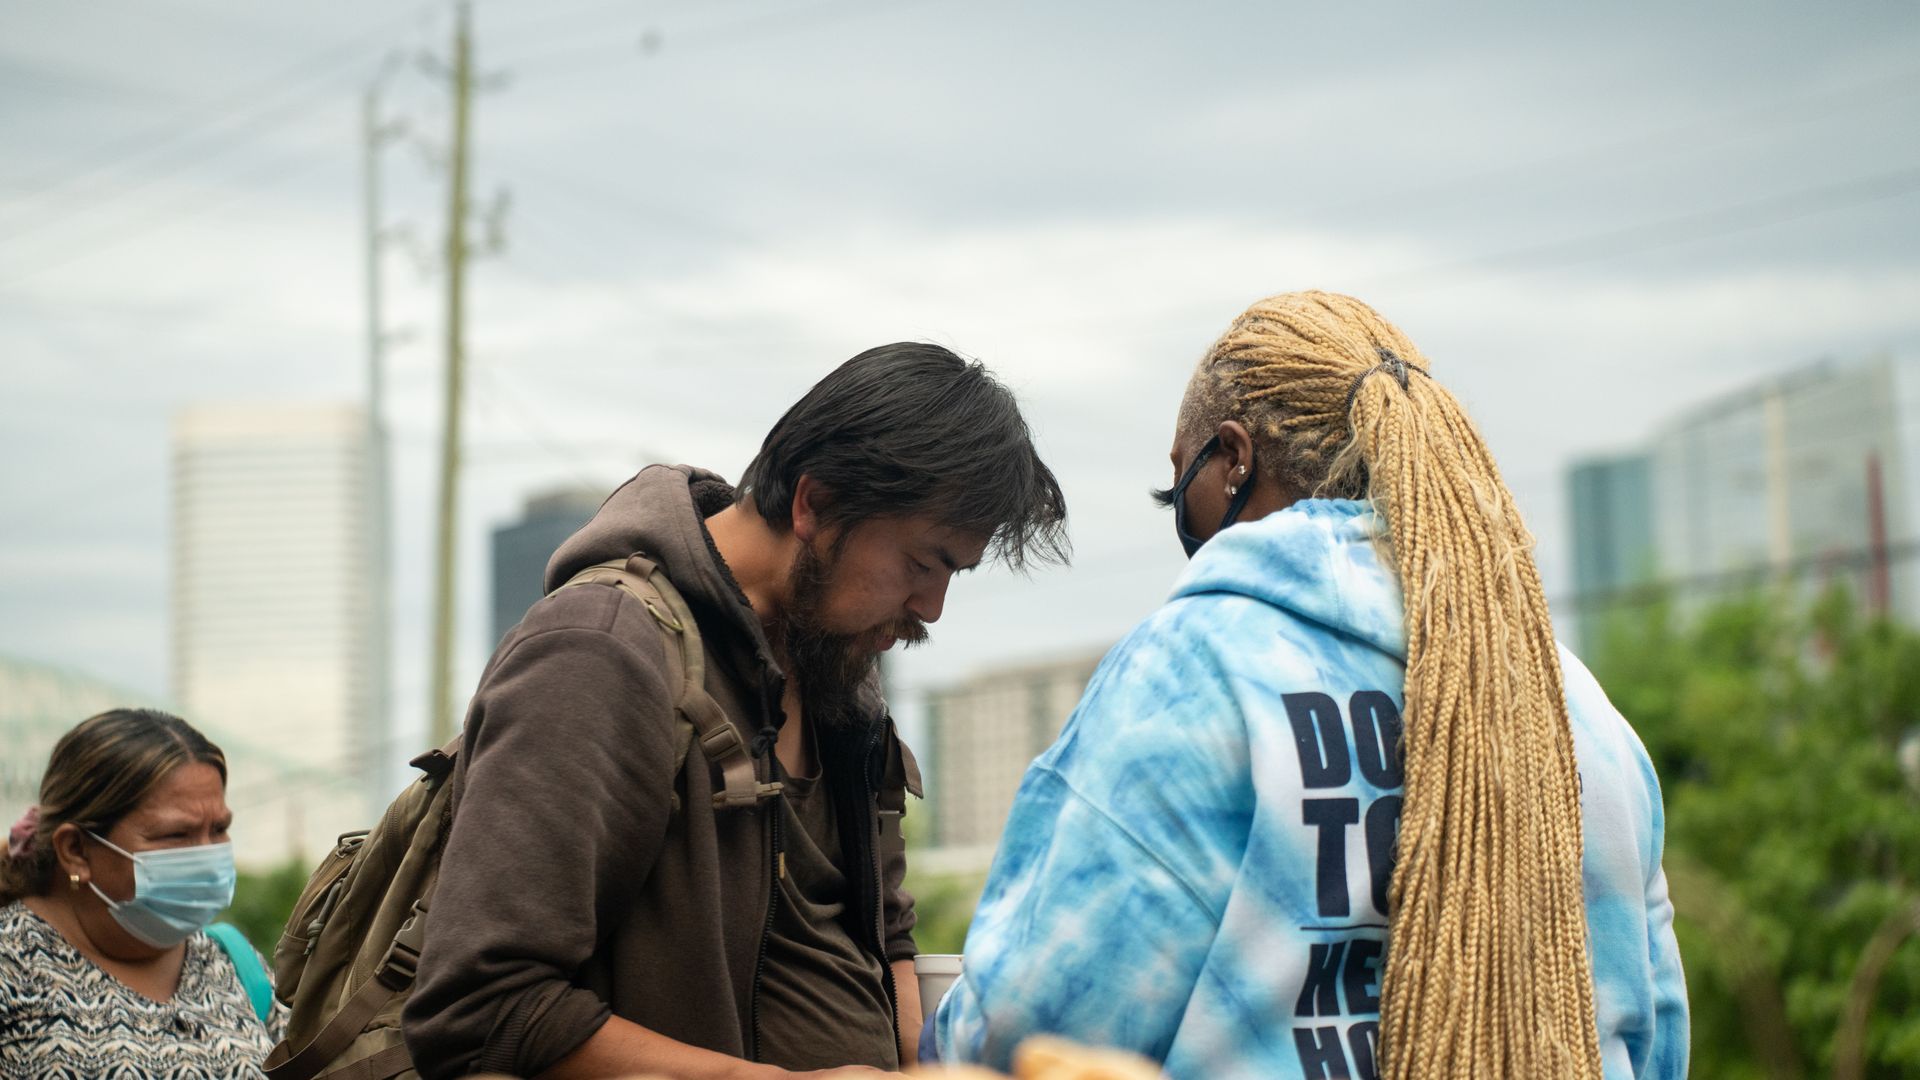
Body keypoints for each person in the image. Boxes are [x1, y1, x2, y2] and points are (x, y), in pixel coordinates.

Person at [929, 292, 1689, 1079]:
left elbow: (1031, 1030)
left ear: (1232, 461)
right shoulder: (1577, 707)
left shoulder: (1193, 674)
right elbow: (1654, 1036)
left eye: (1178, 489)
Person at [403, 342, 1069, 1079]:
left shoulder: (837, 671)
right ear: (816, 503)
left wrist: (928, 1067)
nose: (932, 608)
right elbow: (483, 1009)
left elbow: (884, 929)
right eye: (921, 563)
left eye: (954, 575)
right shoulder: (601, 654)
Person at [0, 707, 286, 1076]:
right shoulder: (12, 968)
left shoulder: (232, 962)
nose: (205, 855)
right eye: (175, 835)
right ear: (75, 850)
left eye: (218, 829)